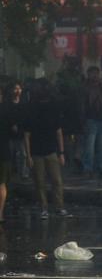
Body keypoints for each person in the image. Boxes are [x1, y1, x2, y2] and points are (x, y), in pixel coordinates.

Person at [24, 80, 67, 219]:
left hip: (47, 150)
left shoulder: (42, 108)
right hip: (42, 151)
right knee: (44, 182)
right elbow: (27, 135)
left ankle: (56, 207)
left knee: (51, 181)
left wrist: (61, 152)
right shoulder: (33, 109)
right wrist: (28, 155)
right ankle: (47, 208)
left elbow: (58, 131)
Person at [81, 66, 102, 176]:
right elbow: (82, 106)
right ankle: (88, 168)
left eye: (96, 74)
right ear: (88, 75)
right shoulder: (85, 88)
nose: (94, 76)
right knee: (90, 146)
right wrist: (83, 120)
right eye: (92, 74)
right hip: (91, 119)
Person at [7, 81, 28, 179]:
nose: (17, 91)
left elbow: (25, 117)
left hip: (21, 133)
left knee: (23, 154)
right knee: (10, 155)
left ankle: (22, 172)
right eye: (15, 88)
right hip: (10, 134)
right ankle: (9, 173)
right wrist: (11, 124)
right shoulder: (7, 103)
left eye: (19, 88)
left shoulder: (24, 103)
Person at [0, 88, 12, 224]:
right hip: (3, 152)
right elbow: (14, 129)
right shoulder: (6, 111)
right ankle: (0, 213)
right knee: (2, 184)